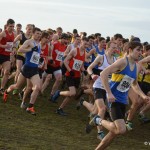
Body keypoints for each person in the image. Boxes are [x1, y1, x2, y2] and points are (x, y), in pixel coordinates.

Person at [87, 41, 150, 150]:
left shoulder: (135, 66)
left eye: (141, 50)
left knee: (113, 133)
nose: (140, 53)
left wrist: (143, 96)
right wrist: (109, 93)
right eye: (138, 50)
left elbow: (134, 84)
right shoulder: (122, 62)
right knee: (121, 129)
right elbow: (103, 73)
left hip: (123, 101)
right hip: (114, 100)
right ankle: (98, 120)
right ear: (130, 50)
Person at [3, 27, 42, 115]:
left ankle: (30, 107)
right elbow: (20, 50)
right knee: (17, 86)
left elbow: (36, 55)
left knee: (37, 87)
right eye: (37, 33)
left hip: (34, 69)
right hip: (26, 68)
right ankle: (6, 91)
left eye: (40, 34)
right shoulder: (29, 41)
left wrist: (40, 59)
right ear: (33, 33)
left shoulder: (39, 44)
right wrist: (30, 49)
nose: (39, 35)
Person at [51, 37, 89, 116]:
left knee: (72, 94)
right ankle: (59, 93)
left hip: (77, 75)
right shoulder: (75, 50)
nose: (86, 46)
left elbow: (81, 64)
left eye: (87, 45)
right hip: (70, 74)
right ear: (81, 42)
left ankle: (60, 109)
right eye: (85, 44)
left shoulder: (85, 53)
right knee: (72, 92)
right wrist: (69, 70)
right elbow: (65, 61)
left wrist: (84, 70)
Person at [0, 19, 16, 93]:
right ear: (7, 25)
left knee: (7, 72)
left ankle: (2, 88)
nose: (12, 28)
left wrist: (13, 49)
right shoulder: (3, 33)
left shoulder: (14, 34)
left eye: (13, 26)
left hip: (6, 56)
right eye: (10, 26)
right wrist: (4, 46)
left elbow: (13, 44)